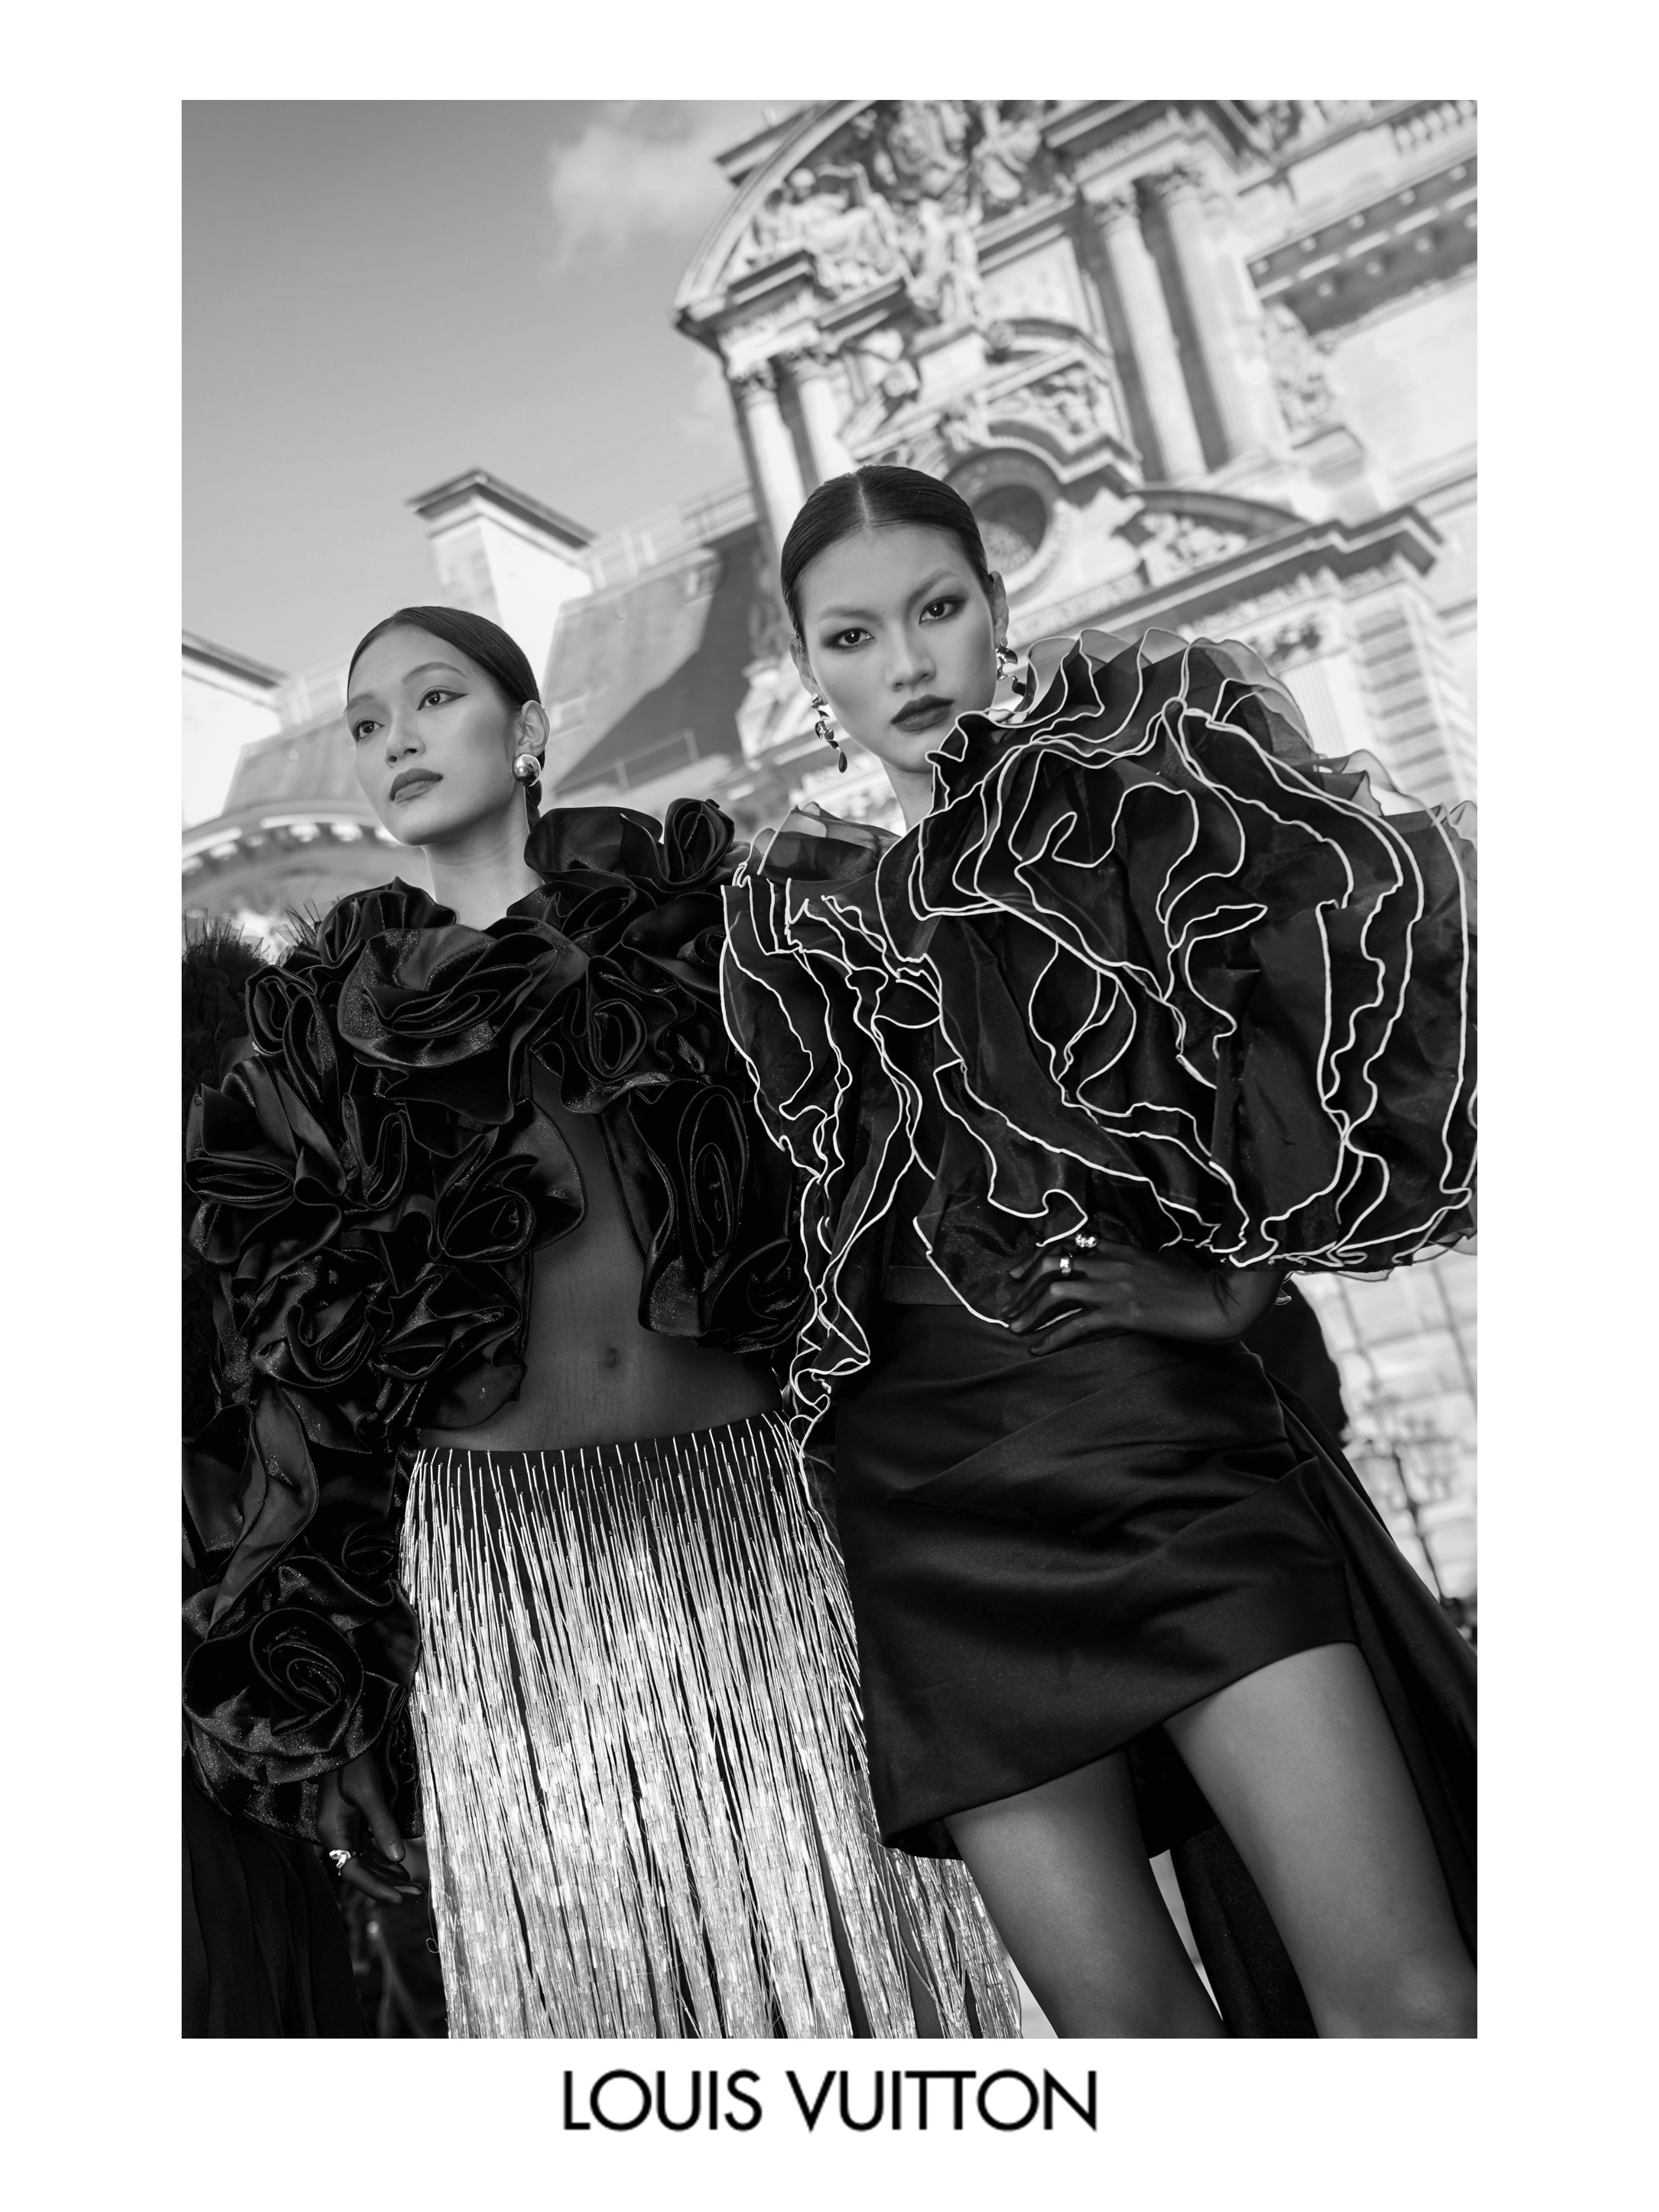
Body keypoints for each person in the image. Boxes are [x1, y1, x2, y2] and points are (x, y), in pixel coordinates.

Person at [183, 604, 1016, 2040]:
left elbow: (891, 1158)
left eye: (433, 700)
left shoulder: (695, 928)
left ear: (528, 730)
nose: (395, 740)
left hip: (752, 1520)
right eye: (368, 723)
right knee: (609, 2006)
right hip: (497, 1569)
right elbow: (288, 1387)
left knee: (849, 1970)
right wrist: (332, 1703)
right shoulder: (315, 1030)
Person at [720, 466, 1477, 2039]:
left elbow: (1338, 1004)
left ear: (996, 611)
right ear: (809, 670)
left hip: (1159, 1452)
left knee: (1405, 2006)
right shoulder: (787, 919)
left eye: (936, 609)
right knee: (1130, 2053)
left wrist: (1232, 1279)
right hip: (923, 1503)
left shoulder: (1135, 805)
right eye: (852, 636)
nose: (905, 662)